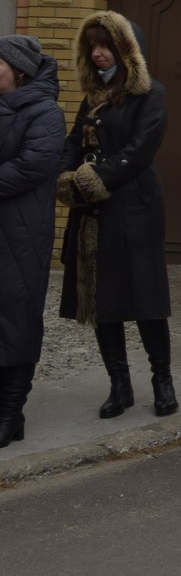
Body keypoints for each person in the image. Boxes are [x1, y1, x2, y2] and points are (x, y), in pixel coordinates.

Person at [57, 11, 173, 419]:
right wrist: (67, 177)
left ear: (126, 51)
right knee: (102, 300)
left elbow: (141, 149)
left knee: (146, 298)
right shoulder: (92, 98)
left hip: (136, 208)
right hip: (95, 213)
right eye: (93, 47)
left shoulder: (151, 93)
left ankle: (163, 382)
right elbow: (73, 143)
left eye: (106, 46)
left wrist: (94, 179)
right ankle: (119, 387)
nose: (99, 54)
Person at [0, 36, 66, 446]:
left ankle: (11, 414)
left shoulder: (46, 112)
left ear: (18, 69)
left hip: (22, 232)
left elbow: (32, 166)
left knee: (17, 317)